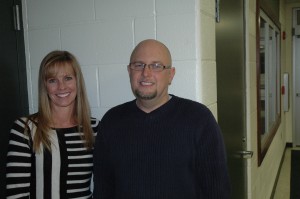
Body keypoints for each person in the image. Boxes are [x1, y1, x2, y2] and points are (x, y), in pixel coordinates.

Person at [93, 39, 230, 198]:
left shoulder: (199, 119)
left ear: (170, 74)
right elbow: (103, 188)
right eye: (139, 65)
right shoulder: (112, 121)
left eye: (157, 66)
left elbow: (217, 189)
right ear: (129, 71)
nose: (146, 73)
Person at [5, 50, 99, 199]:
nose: (61, 87)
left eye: (68, 78)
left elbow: (105, 181)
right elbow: (16, 192)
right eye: (52, 80)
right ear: (45, 86)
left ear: (77, 81)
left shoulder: (94, 128)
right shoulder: (25, 128)